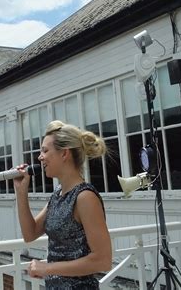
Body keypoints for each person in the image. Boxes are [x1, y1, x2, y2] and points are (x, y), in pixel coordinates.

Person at [14, 120, 112, 289]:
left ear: (64, 154)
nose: (40, 157)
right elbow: (29, 234)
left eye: (45, 150)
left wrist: (47, 268)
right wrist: (21, 192)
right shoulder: (58, 195)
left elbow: (103, 260)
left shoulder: (84, 197)